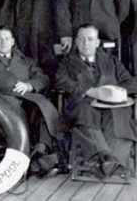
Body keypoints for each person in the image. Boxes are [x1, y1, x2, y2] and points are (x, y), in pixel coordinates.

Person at [0, 26, 61, 176]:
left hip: (29, 102)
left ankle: (40, 151)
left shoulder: (25, 61)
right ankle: (33, 160)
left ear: (13, 41)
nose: (3, 42)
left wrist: (29, 85)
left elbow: (43, 78)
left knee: (43, 110)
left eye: (7, 38)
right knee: (19, 111)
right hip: (3, 105)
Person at [55, 24, 137, 179]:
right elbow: (60, 81)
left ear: (97, 42)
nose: (86, 43)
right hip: (83, 105)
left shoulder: (111, 61)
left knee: (119, 118)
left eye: (90, 39)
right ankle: (107, 159)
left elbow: (130, 82)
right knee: (85, 114)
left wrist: (114, 92)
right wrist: (89, 91)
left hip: (111, 106)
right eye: (82, 39)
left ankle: (111, 163)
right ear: (76, 42)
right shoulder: (67, 62)